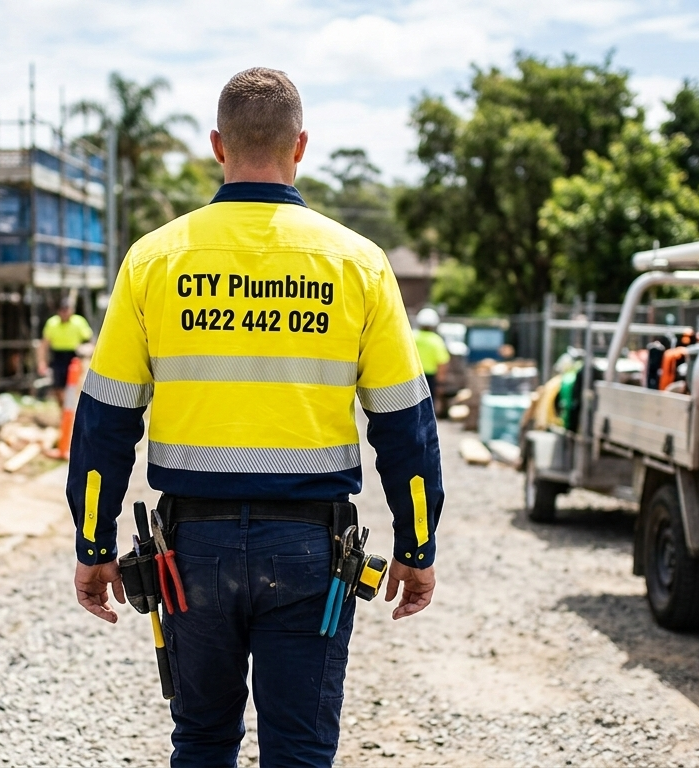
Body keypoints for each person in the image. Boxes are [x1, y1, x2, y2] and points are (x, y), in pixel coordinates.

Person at [67, 67, 443, 768]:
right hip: (310, 554)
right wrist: (418, 548)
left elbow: (105, 422)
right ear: (301, 145)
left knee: (203, 742)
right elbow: (405, 426)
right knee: (299, 751)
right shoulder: (358, 263)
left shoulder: (154, 260)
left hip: (190, 553)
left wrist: (93, 544)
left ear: (218, 144)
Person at [39, 299, 92, 406]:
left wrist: (85, 349)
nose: (65, 313)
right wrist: (42, 362)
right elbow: (44, 344)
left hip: (74, 357)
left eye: (67, 310)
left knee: (74, 386)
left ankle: (71, 412)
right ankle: (64, 412)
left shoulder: (79, 322)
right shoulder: (52, 323)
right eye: (63, 310)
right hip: (58, 357)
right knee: (57, 387)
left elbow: (90, 341)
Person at [413, 307, 450, 403]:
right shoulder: (436, 341)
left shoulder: (412, 337)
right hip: (429, 379)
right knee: (427, 406)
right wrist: (440, 384)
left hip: (411, 376)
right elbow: (442, 363)